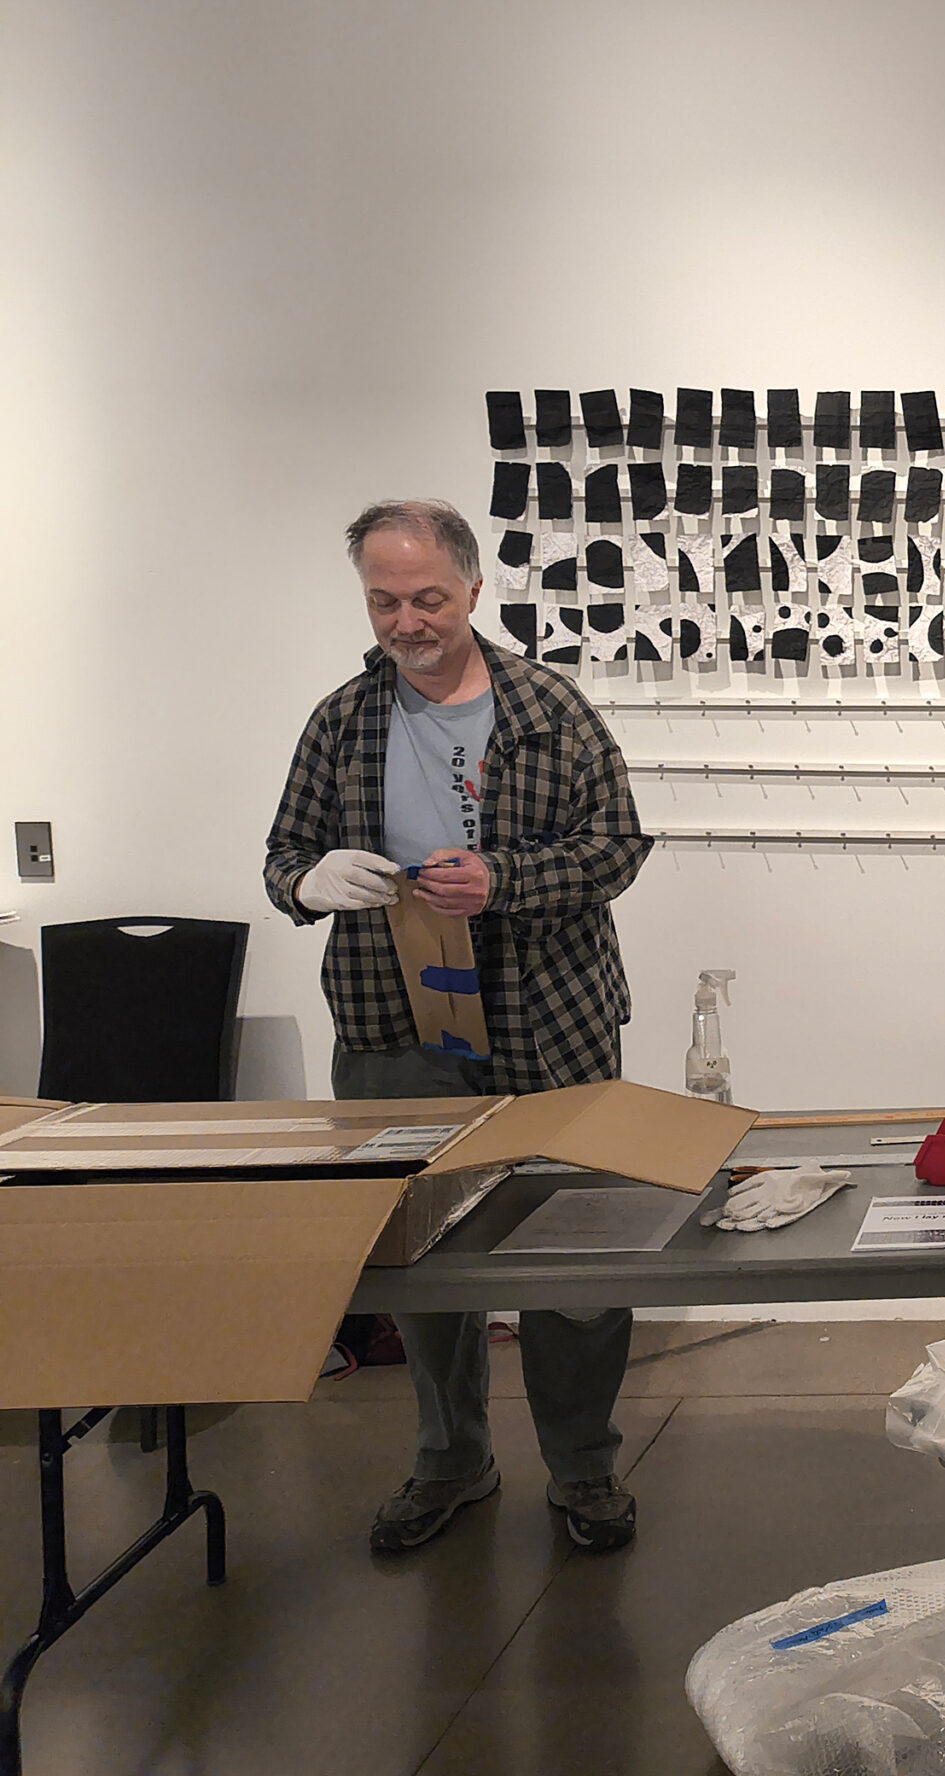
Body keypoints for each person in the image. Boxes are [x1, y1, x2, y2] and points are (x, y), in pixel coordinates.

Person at [263, 499, 654, 1554]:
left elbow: (618, 846)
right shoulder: (342, 720)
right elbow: (280, 859)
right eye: (384, 600)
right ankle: (450, 1460)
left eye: (427, 597)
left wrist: (507, 878)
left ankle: (582, 1468)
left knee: (579, 1266)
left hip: (552, 1029)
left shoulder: (550, 709)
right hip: (395, 1033)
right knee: (419, 1262)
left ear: (475, 588)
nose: (406, 621)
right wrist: (309, 881)